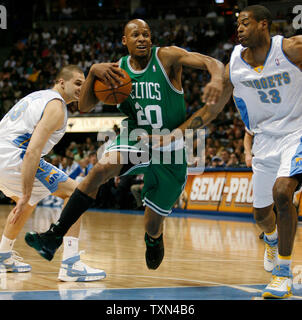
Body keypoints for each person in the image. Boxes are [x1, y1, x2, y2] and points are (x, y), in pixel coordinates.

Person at [24, 19, 224, 271]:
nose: (142, 39)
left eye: (146, 34)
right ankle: (53, 236)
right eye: (136, 35)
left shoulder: (166, 57)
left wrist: (216, 79)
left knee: (152, 224)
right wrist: (94, 71)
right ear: (124, 40)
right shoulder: (116, 70)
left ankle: (153, 239)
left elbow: (213, 62)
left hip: (170, 145)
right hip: (136, 136)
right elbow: (84, 107)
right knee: (98, 171)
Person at [157, 5, 302, 298]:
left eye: (245, 23)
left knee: (283, 193)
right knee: (261, 215)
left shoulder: (291, 49)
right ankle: (271, 239)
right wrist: (179, 132)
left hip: (297, 134)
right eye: (238, 24)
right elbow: (213, 109)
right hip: (263, 141)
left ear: (264, 24)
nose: (239, 28)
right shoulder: (233, 64)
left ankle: (283, 273)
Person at [0, 64, 106, 281]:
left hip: (3, 154)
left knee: (27, 205)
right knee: (77, 193)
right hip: (15, 156)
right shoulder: (56, 107)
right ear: (61, 82)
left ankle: (3, 254)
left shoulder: (37, 96)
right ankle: (71, 264)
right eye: (77, 83)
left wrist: (26, 196)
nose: (81, 88)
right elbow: (32, 151)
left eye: (84, 85)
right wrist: (27, 192)